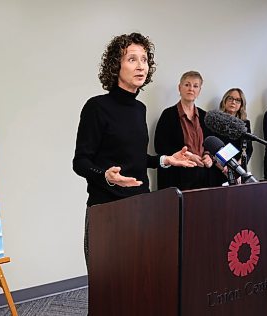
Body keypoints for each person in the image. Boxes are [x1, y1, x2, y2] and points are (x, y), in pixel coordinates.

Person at [73, 33, 196, 265]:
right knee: (108, 289)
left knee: (141, 286)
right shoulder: (96, 107)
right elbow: (80, 162)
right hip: (107, 209)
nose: (141, 66)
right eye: (132, 59)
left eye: (144, 59)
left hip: (141, 206)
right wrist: (107, 178)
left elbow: (136, 159)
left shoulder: (139, 108)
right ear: (115, 66)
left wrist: (166, 160)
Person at [154, 71, 214, 190]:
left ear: (199, 91)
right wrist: (188, 156)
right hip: (177, 177)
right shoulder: (168, 115)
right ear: (179, 88)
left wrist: (208, 156)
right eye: (187, 85)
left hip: (203, 176)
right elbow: (160, 147)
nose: (191, 89)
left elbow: (210, 143)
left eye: (195, 86)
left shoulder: (205, 116)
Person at [209, 88, 253, 186]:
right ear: (224, 101)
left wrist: (236, 168)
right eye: (230, 98)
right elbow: (211, 147)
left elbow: (248, 150)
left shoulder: (245, 123)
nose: (233, 102)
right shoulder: (215, 121)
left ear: (241, 104)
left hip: (239, 171)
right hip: (218, 170)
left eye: (237, 100)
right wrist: (224, 168)